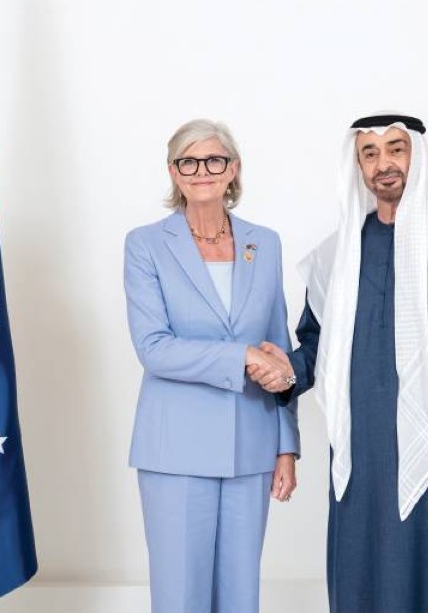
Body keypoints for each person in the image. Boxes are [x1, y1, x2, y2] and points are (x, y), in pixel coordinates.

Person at [252, 114, 428, 612]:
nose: (384, 164)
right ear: (357, 166)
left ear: (417, 156)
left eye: (396, 149)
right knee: (372, 582)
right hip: (366, 464)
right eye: (370, 153)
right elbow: (317, 347)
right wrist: (286, 370)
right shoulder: (337, 257)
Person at [124, 119, 300, 612]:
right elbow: (154, 348)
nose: (202, 170)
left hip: (252, 445)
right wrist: (240, 356)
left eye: (214, 160)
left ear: (233, 169)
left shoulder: (265, 243)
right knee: (181, 597)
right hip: (175, 449)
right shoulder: (145, 245)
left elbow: (279, 347)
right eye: (188, 161)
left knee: (241, 597)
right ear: (173, 171)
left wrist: (286, 445)